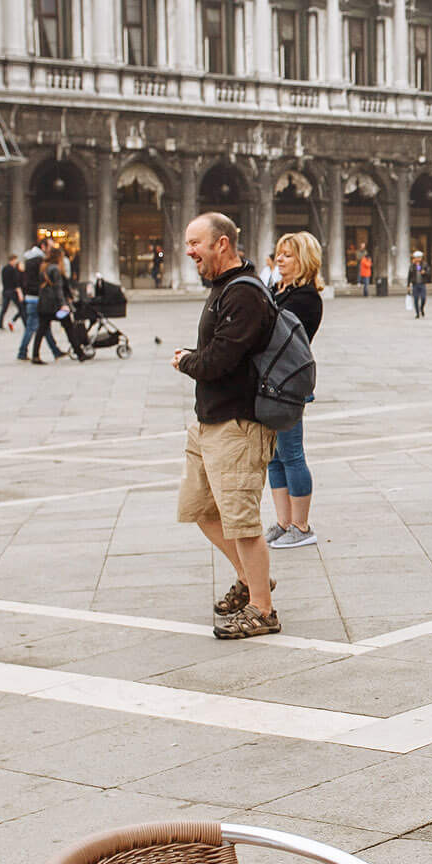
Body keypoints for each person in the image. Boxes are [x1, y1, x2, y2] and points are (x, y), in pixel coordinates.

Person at [174, 213, 281, 640]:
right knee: (200, 509)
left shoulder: (244, 294)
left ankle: (263, 609)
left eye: (195, 242)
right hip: (210, 422)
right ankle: (251, 578)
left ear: (222, 243)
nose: (189, 251)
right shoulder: (224, 289)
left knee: (242, 521)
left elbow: (219, 361)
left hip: (238, 425)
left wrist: (185, 361)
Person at [259, 233, 325, 551]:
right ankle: (283, 522)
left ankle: (302, 525)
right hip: (268, 381)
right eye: (278, 254)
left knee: (292, 453)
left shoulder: (306, 298)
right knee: (274, 456)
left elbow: (273, 334)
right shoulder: (278, 291)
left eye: (287, 255)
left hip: (287, 384)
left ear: (304, 260)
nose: (279, 259)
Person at [0, 254, 24, 332]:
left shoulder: (4, 269)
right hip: (12, 291)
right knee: (21, 308)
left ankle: (0, 324)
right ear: (12, 260)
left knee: (4, 309)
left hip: (6, 290)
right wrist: (19, 291)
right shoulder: (13, 270)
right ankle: (26, 324)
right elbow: (15, 282)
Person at [407, 250, 429, 319]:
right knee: (416, 299)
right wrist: (408, 285)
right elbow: (409, 275)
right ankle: (417, 313)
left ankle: (421, 308)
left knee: (423, 298)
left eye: (419, 257)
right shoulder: (412, 266)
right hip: (415, 284)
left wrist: (424, 272)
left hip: (422, 283)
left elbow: (429, 272)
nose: (418, 259)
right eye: (417, 257)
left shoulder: (424, 264)